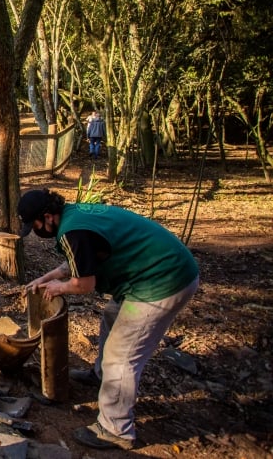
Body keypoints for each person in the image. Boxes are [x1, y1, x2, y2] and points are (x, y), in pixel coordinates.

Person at [17, 188, 199, 450]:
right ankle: (101, 375)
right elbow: (80, 260)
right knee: (112, 316)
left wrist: (60, 287)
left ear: (47, 217)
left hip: (163, 280)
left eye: (34, 225)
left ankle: (116, 428)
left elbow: (83, 284)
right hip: (151, 272)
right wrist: (47, 278)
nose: (35, 231)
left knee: (121, 356)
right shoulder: (73, 216)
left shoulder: (72, 231)